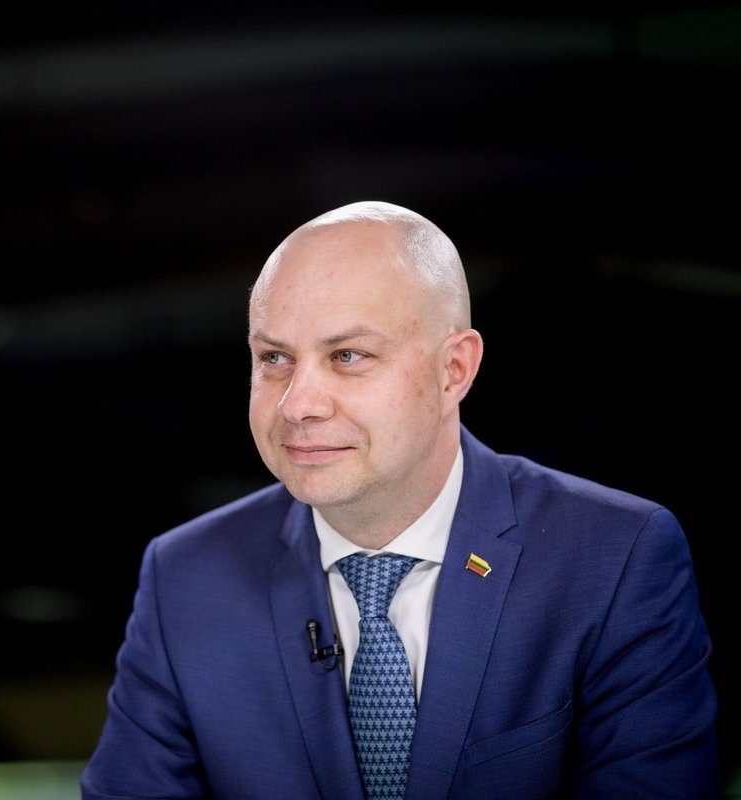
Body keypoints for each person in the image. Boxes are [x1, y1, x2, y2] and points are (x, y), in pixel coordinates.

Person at [80, 200, 719, 799]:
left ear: (454, 370)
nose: (297, 404)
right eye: (274, 357)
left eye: (347, 355)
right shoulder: (183, 578)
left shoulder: (615, 558)